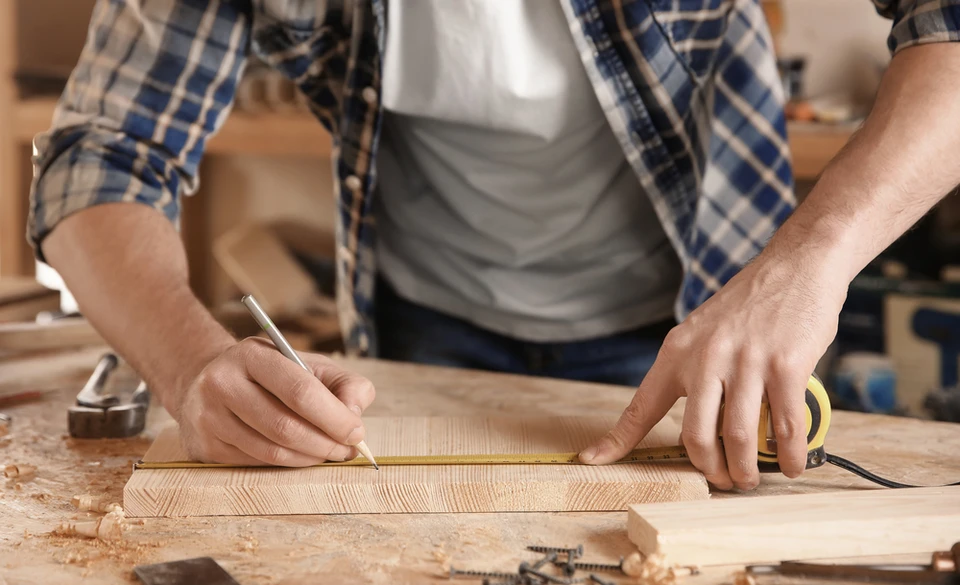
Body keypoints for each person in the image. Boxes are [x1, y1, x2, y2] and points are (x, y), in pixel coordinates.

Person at [28, 0, 960, 490]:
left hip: (706, 321)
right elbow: (100, 158)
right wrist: (191, 369)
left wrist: (807, 266)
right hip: (423, 327)